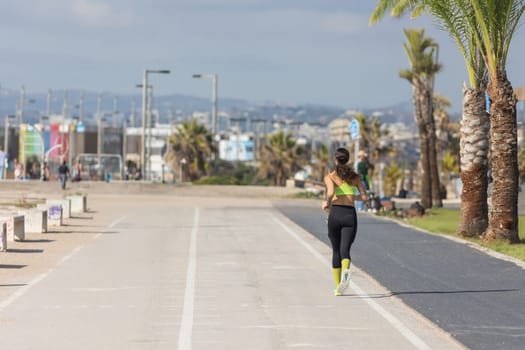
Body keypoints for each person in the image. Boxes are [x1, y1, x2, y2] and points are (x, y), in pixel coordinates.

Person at [322, 147, 367, 296]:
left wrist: (326, 202)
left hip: (335, 214)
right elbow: (364, 198)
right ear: (347, 160)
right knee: (345, 250)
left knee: (335, 250)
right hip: (349, 215)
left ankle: (337, 288)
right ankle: (345, 274)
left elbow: (330, 193)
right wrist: (353, 197)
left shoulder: (330, 177)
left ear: (335, 160)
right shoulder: (356, 178)